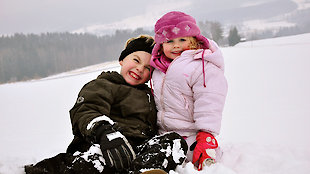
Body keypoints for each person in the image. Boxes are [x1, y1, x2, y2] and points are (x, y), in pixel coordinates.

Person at [25, 35, 188, 174]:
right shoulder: (105, 84)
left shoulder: (149, 95)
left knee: (174, 142)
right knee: (93, 164)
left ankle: (145, 170)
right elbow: (86, 110)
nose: (139, 69)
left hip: (138, 151)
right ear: (122, 60)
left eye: (147, 68)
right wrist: (104, 131)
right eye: (136, 60)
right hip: (106, 145)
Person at [150, 11, 228, 171]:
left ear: (193, 40)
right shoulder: (158, 68)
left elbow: (210, 100)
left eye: (182, 39)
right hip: (163, 133)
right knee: (156, 156)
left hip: (192, 134)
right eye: (169, 41)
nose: (176, 45)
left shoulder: (201, 65)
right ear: (161, 44)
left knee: (199, 157)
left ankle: (209, 160)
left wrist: (206, 132)